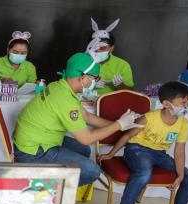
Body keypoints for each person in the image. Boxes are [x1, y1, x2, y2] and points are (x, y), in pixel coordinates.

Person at [13, 52, 142, 186]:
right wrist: (118, 125)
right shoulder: (66, 100)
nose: (95, 82)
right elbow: (87, 138)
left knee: (83, 150)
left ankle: (62, 179)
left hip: (35, 139)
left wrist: (120, 125)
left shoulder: (59, 86)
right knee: (93, 171)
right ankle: (49, 191)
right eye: (95, 79)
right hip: (33, 151)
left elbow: (87, 116)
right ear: (84, 78)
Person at [98, 82, 188, 204]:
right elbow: (127, 136)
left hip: (159, 154)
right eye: (183, 103)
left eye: (187, 103)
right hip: (137, 149)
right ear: (167, 104)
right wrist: (111, 154)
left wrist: (180, 174)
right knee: (144, 173)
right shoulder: (149, 118)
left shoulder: (183, 123)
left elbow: (179, 151)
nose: (186, 107)